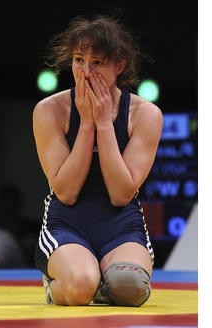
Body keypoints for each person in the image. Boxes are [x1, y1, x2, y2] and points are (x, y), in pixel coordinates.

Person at [32, 15, 163, 306]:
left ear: (120, 65)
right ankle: (64, 284)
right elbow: (65, 192)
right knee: (79, 286)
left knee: (130, 287)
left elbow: (120, 194)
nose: (86, 72)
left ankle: (100, 282)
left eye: (98, 63)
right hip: (67, 223)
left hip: (121, 224)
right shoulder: (49, 110)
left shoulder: (145, 115)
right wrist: (87, 125)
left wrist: (104, 123)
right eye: (79, 60)